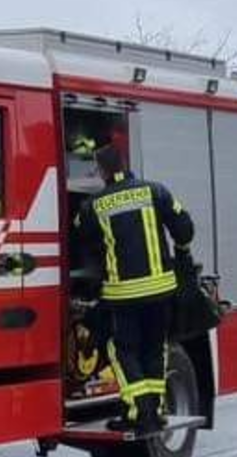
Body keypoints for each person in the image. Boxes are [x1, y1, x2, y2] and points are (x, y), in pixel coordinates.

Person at [74, 144, 195, 433]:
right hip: (161, 292)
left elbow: (78, 235)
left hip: (124, 296)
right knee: (154, 347)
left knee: (122, 350)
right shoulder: (156, 191)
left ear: (101, 171)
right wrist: (181, 253)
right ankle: (156, 410)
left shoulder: (95, 205)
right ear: (125, 164)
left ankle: (138, 413)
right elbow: (184, 227)